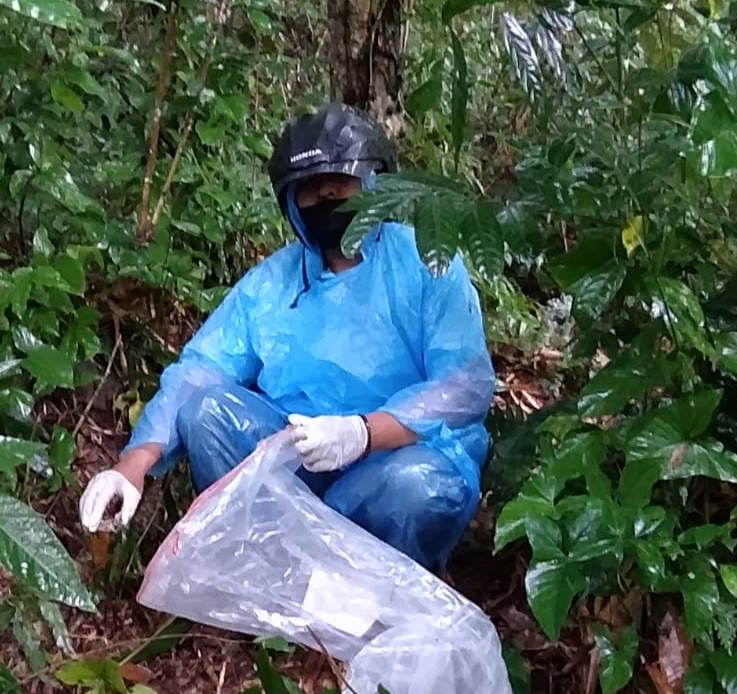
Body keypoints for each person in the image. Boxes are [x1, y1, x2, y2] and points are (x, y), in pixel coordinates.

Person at [79, 103, 495, 571]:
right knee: (206, 413)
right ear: (291, 203)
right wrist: (131, 467)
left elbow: (464, 386)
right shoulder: (272, 284)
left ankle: (374, 600)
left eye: (340, 185)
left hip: (395, 460)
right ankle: (269, 579)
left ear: (375, 185)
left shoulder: (426, 260)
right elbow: (198, 374)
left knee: (417, 486)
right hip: (298, 466)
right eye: (310, 192)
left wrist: (362, 433)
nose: (326, 199)